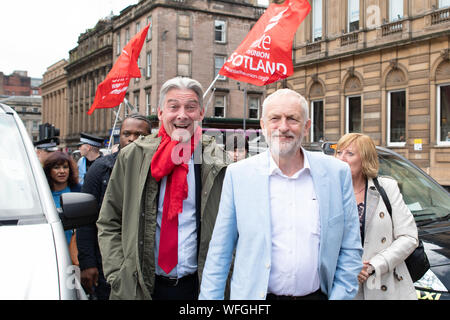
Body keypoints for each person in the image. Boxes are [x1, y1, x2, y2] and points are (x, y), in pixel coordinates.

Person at [199, 89, 363, 300]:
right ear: (263, 125)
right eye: (275, 118)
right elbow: (219, 253)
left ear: (306, 127)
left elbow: (350, 248)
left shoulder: (336, 174)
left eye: (292, 119)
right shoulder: (238, 175)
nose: (283, 127)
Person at [97, 77, 229, 300]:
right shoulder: (132, 157)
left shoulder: (219, 162)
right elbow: (109, 220)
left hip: (198, 288)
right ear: (160, 113)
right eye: (174, 107)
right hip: (140, 288)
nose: (182, 115)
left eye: (190, 107)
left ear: (201, 113)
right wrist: (119, 275)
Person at [76, 113, 152, 300]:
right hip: (107, 264)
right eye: (127, 133)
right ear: (119, 136)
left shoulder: (157, 169)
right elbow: (85, 221)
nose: (132, 139)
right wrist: (88, 263)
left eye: (139, 134)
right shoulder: (100, 168)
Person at [335, 133, 418, 300]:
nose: (341, 158)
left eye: (349, 153)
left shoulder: (387, 188)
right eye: (338, 152)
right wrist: (348, 267)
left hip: (385, 286)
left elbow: (409, 237)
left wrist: (373, 265)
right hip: (343, 286)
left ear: (365, 159)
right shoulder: (326, 192)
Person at [43, 151, 81, 261]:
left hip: (75, 252)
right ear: (49, 170)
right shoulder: (43, 193)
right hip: (50, 249)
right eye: (56, 167)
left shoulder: (78, 190)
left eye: (65, 167)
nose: (62, 171)